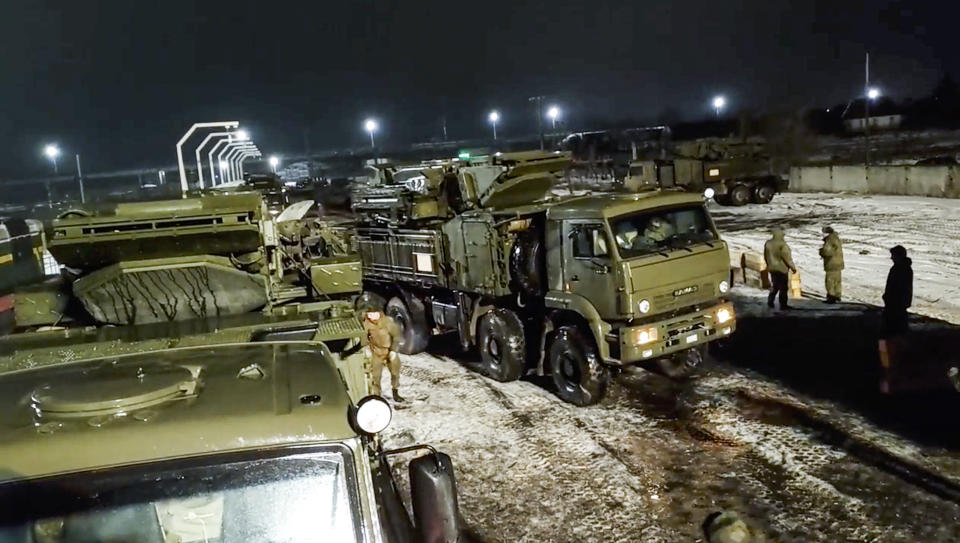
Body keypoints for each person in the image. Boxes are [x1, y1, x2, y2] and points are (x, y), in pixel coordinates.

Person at [362, 310, 404, 402]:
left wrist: (393, 350)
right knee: (376, 376)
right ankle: (377, 396)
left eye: (374, 313)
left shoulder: (387, 321)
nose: (372, 316)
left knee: (395, 372)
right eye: (370, 314)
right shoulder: (366, 324)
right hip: (376, 352)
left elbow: (397, 336)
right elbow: (364, 338)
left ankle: (395, 392)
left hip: (389, 351)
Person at [882, 245, 913, 337]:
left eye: (893, 255)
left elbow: (897, 289)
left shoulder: (901, 269)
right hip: (896, 306)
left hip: (896, 307)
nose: (891, 258)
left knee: (893, 334)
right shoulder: (901, 268)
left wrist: (888, 298)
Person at [763, 227, 797, 310]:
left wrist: (769, 265)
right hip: (781, 269)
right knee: (783, 288)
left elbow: (765, 256)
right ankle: (783, 305)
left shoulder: (768, 243)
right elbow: (787, 257)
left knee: (775, 286)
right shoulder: (782, 245)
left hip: (772, 268)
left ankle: (770, 301)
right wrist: (793, 267)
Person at [818, 226, 844, 303]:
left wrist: (821, 251)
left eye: (823, 232)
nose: (822, 234)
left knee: (830, 282)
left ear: (826, 233)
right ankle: (837, 296)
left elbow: (827, 252)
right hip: (838, 263)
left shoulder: (829, 240)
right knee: (837, 281)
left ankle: (831, 297)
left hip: (831, 264)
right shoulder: (836, 238)